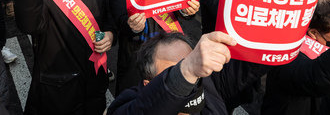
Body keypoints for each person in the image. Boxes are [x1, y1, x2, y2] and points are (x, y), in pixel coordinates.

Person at [108, 31, 268, 115]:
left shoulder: (211, 84)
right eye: (173, 70)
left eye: (193, 59)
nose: (191, 77)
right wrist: (185, 71)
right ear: (148, 84)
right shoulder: (131, 102)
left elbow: (254, 58)